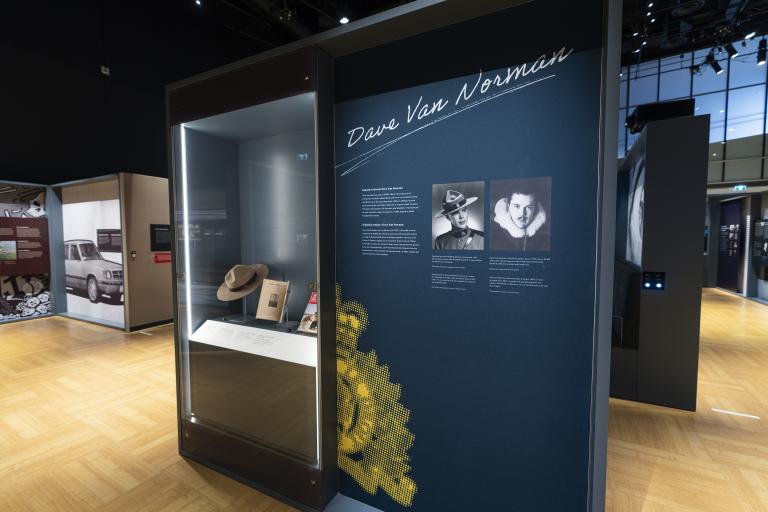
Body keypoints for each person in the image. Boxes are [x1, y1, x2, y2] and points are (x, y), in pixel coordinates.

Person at [492, 184, 549, 251]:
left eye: (529, 207)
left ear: (535, 209)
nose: (522, 213)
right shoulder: (493, 233)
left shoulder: (546, 236)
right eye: (517, 206)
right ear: (508, 206)